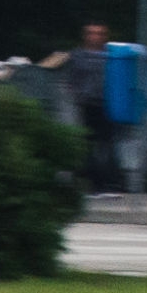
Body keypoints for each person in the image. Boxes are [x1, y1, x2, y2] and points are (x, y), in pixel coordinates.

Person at [45, 22, 120, 193]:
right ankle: (91, 183)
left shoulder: (111, 56)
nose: (95, 37)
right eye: (92, 33)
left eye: (99, 33)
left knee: (108, 145)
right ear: (86, 35)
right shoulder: (78, 55)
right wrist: (78, 94)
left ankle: (110, 183)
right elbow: (70, 79)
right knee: (87, 144)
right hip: (86, 105)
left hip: (108, 105)